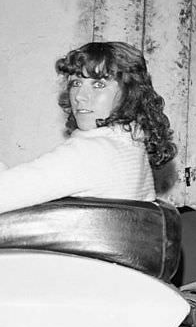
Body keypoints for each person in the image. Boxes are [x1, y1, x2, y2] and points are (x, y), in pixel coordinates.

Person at [0, 41, 176, 215]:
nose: (79, 97)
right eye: (76, 83)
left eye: (98, 85)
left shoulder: (93, 152)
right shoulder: (131, 143)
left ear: (129, 93)